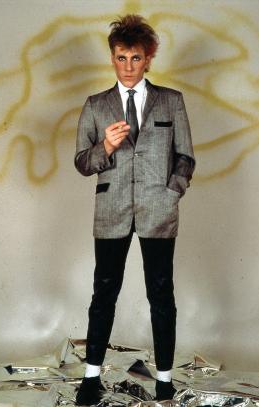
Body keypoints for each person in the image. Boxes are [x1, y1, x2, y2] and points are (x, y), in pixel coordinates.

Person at [74, 14, 195, 405]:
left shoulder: (171, 101)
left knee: (161, 294)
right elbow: (82, 162)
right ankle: (91, 378)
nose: (128, 66)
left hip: (159, 210)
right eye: (121, 57)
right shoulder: (96, 105)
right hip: (111, 211)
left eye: (136, 58)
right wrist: (105, 147)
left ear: (149, 59)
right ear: (112, 58)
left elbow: (185, 157)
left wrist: (171, 192)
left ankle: (164, 380)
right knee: (103, 293)